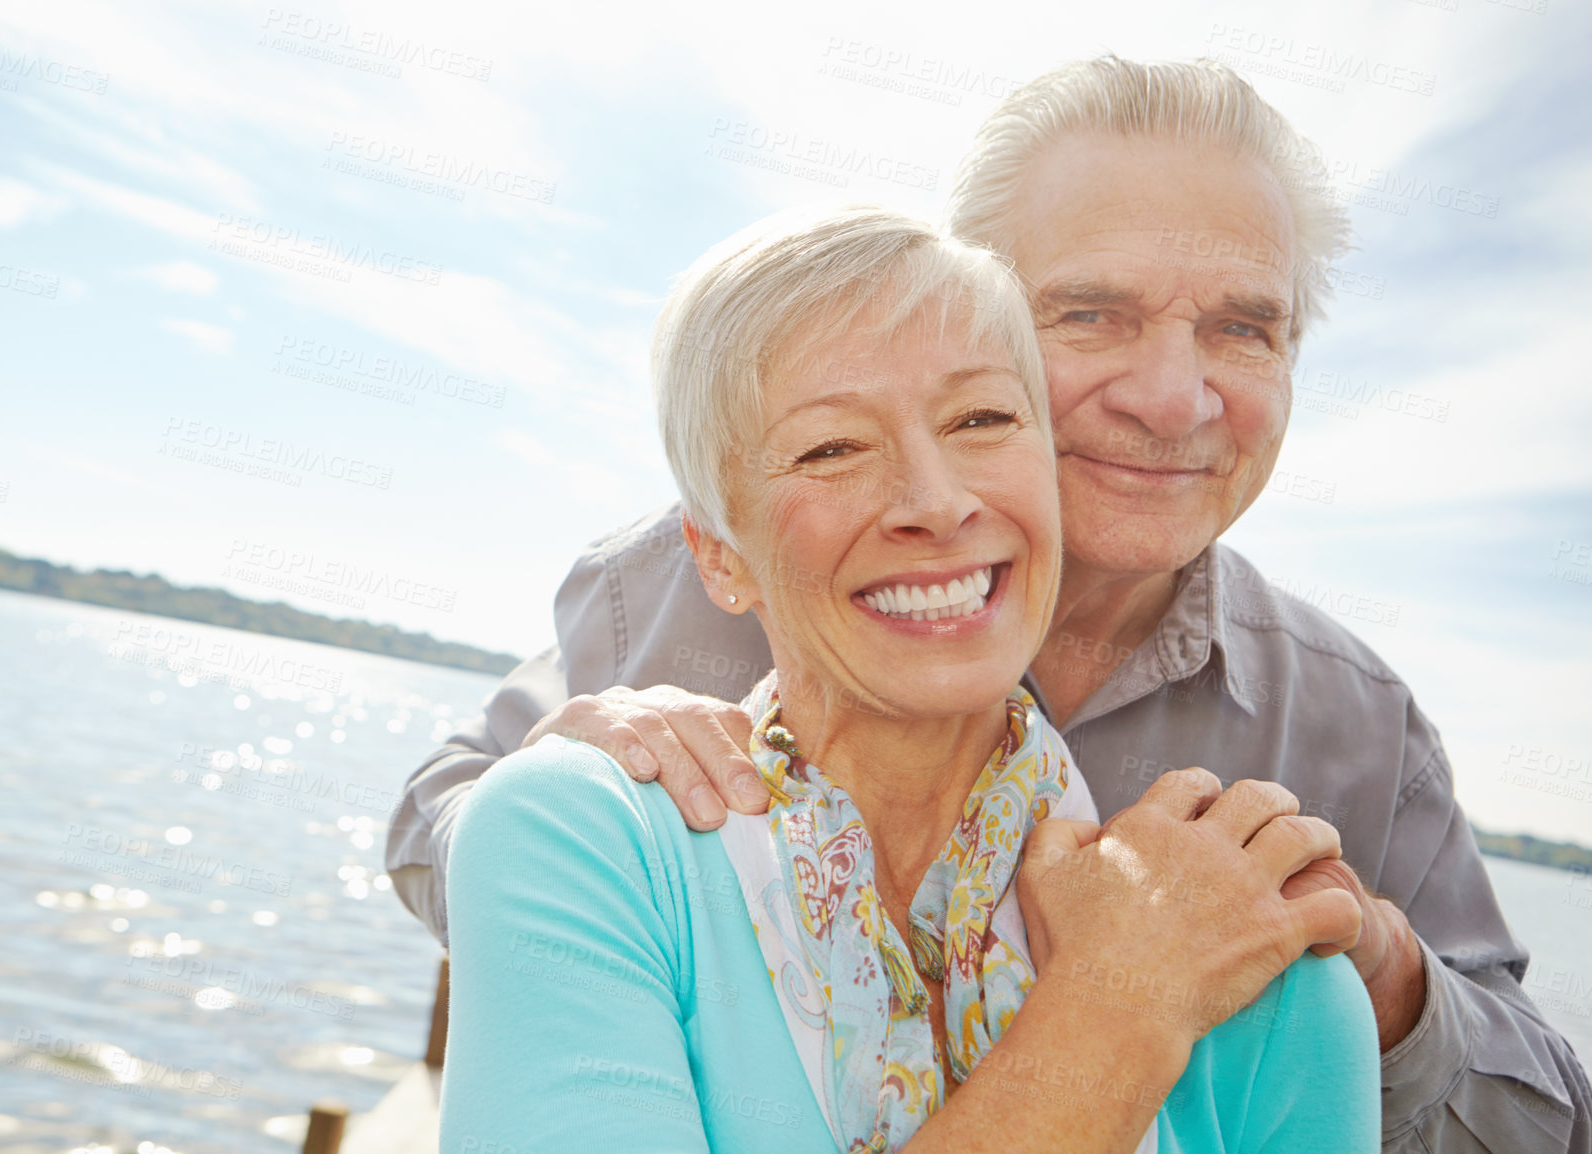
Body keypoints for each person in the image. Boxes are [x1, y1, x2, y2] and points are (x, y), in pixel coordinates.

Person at [395, 58, 1591, 1153]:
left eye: (1244, 327)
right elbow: (450, 818)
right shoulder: (671, 574)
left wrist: (1371, 959)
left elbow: (1543, 1111)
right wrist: (575, 798)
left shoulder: (1356, 724)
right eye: (1093, 313)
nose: (1175, 397)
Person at [438, 205, 1379, 1154]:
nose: (936, 502)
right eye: (831, 448)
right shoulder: (581, 841)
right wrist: (1120, 1003)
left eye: (983, 419)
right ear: (719, 556)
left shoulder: (1266, 976)